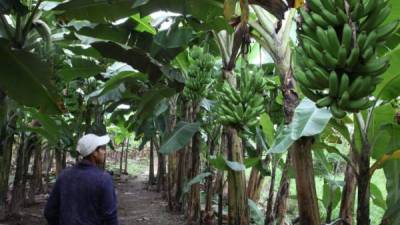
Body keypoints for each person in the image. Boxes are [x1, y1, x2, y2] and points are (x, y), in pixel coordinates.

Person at [44, 133, 118, 225]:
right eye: (102, 149)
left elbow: (50, 212)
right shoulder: (104, 179)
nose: (104, 152)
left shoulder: (64, 175)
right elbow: (110, 217)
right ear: (94, 153)